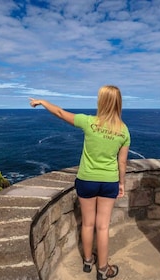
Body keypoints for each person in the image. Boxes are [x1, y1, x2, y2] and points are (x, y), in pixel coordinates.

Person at [29, 85, 130, 280]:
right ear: (118, 103)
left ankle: (87, 262)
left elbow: (59, 112)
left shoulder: (88, 122)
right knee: (102, 227)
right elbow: (122, 162)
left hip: (86, 180)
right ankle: (102, 269)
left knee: (87, 224)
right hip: (109, 181)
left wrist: (42, 102)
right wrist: (122, 183)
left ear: (101, 102)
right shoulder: (123, 130)